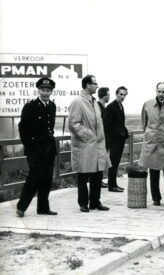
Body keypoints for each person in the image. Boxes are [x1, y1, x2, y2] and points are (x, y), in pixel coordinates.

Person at [68, 75, 111, 212]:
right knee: (83, 175)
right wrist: (88, 136)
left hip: (97, 145)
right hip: (85, 145)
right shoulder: (78, 102)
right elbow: (74, 124)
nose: (97, 86)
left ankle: (95, 201)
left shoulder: (94, 103)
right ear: (87, 85)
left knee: (97, 174)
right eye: (94, 83)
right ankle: (83, 203)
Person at [16, 77, 58, 217]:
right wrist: (30, 146)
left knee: (47, 179)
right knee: (34, 178)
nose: (45, 93)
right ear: (38, 90)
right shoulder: (30, 106)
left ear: (51, 91)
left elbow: (49, 128)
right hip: (35, 150)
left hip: (49, 149)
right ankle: (21, 207)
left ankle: (43, 208)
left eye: (48, 90)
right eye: (43, 90)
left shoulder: (52, 106)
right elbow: (23, 128)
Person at [138, 82, 164, 206]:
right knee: (153, 171)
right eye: (159, 91)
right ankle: (156, 198)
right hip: (152, 142)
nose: (161, 94)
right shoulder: (147, 104)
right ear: (156, 91)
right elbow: (144, 123)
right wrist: (150, 135)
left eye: (163, 91)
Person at [103, 86, 129, 192]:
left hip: (119, 139)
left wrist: (125, 133)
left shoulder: (120, 106)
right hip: (113, 140)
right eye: (121, 94)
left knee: (116, 162)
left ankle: (114, 184)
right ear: (116, 94)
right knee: (113, 162)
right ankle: (111, 186)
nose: (122, 97)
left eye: (124, 95)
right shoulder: (111, 106)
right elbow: (106, 125)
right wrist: (117, 134)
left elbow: (120, 123)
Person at [97, 87, 110, 188]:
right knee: (99, 159)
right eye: (108, 94)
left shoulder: (103, 107)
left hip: (104, 137)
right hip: (100, 138)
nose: (109, 96)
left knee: (102, 159)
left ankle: (99, 180)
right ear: (104, 95)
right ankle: (98, 180)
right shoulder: (98, 107)